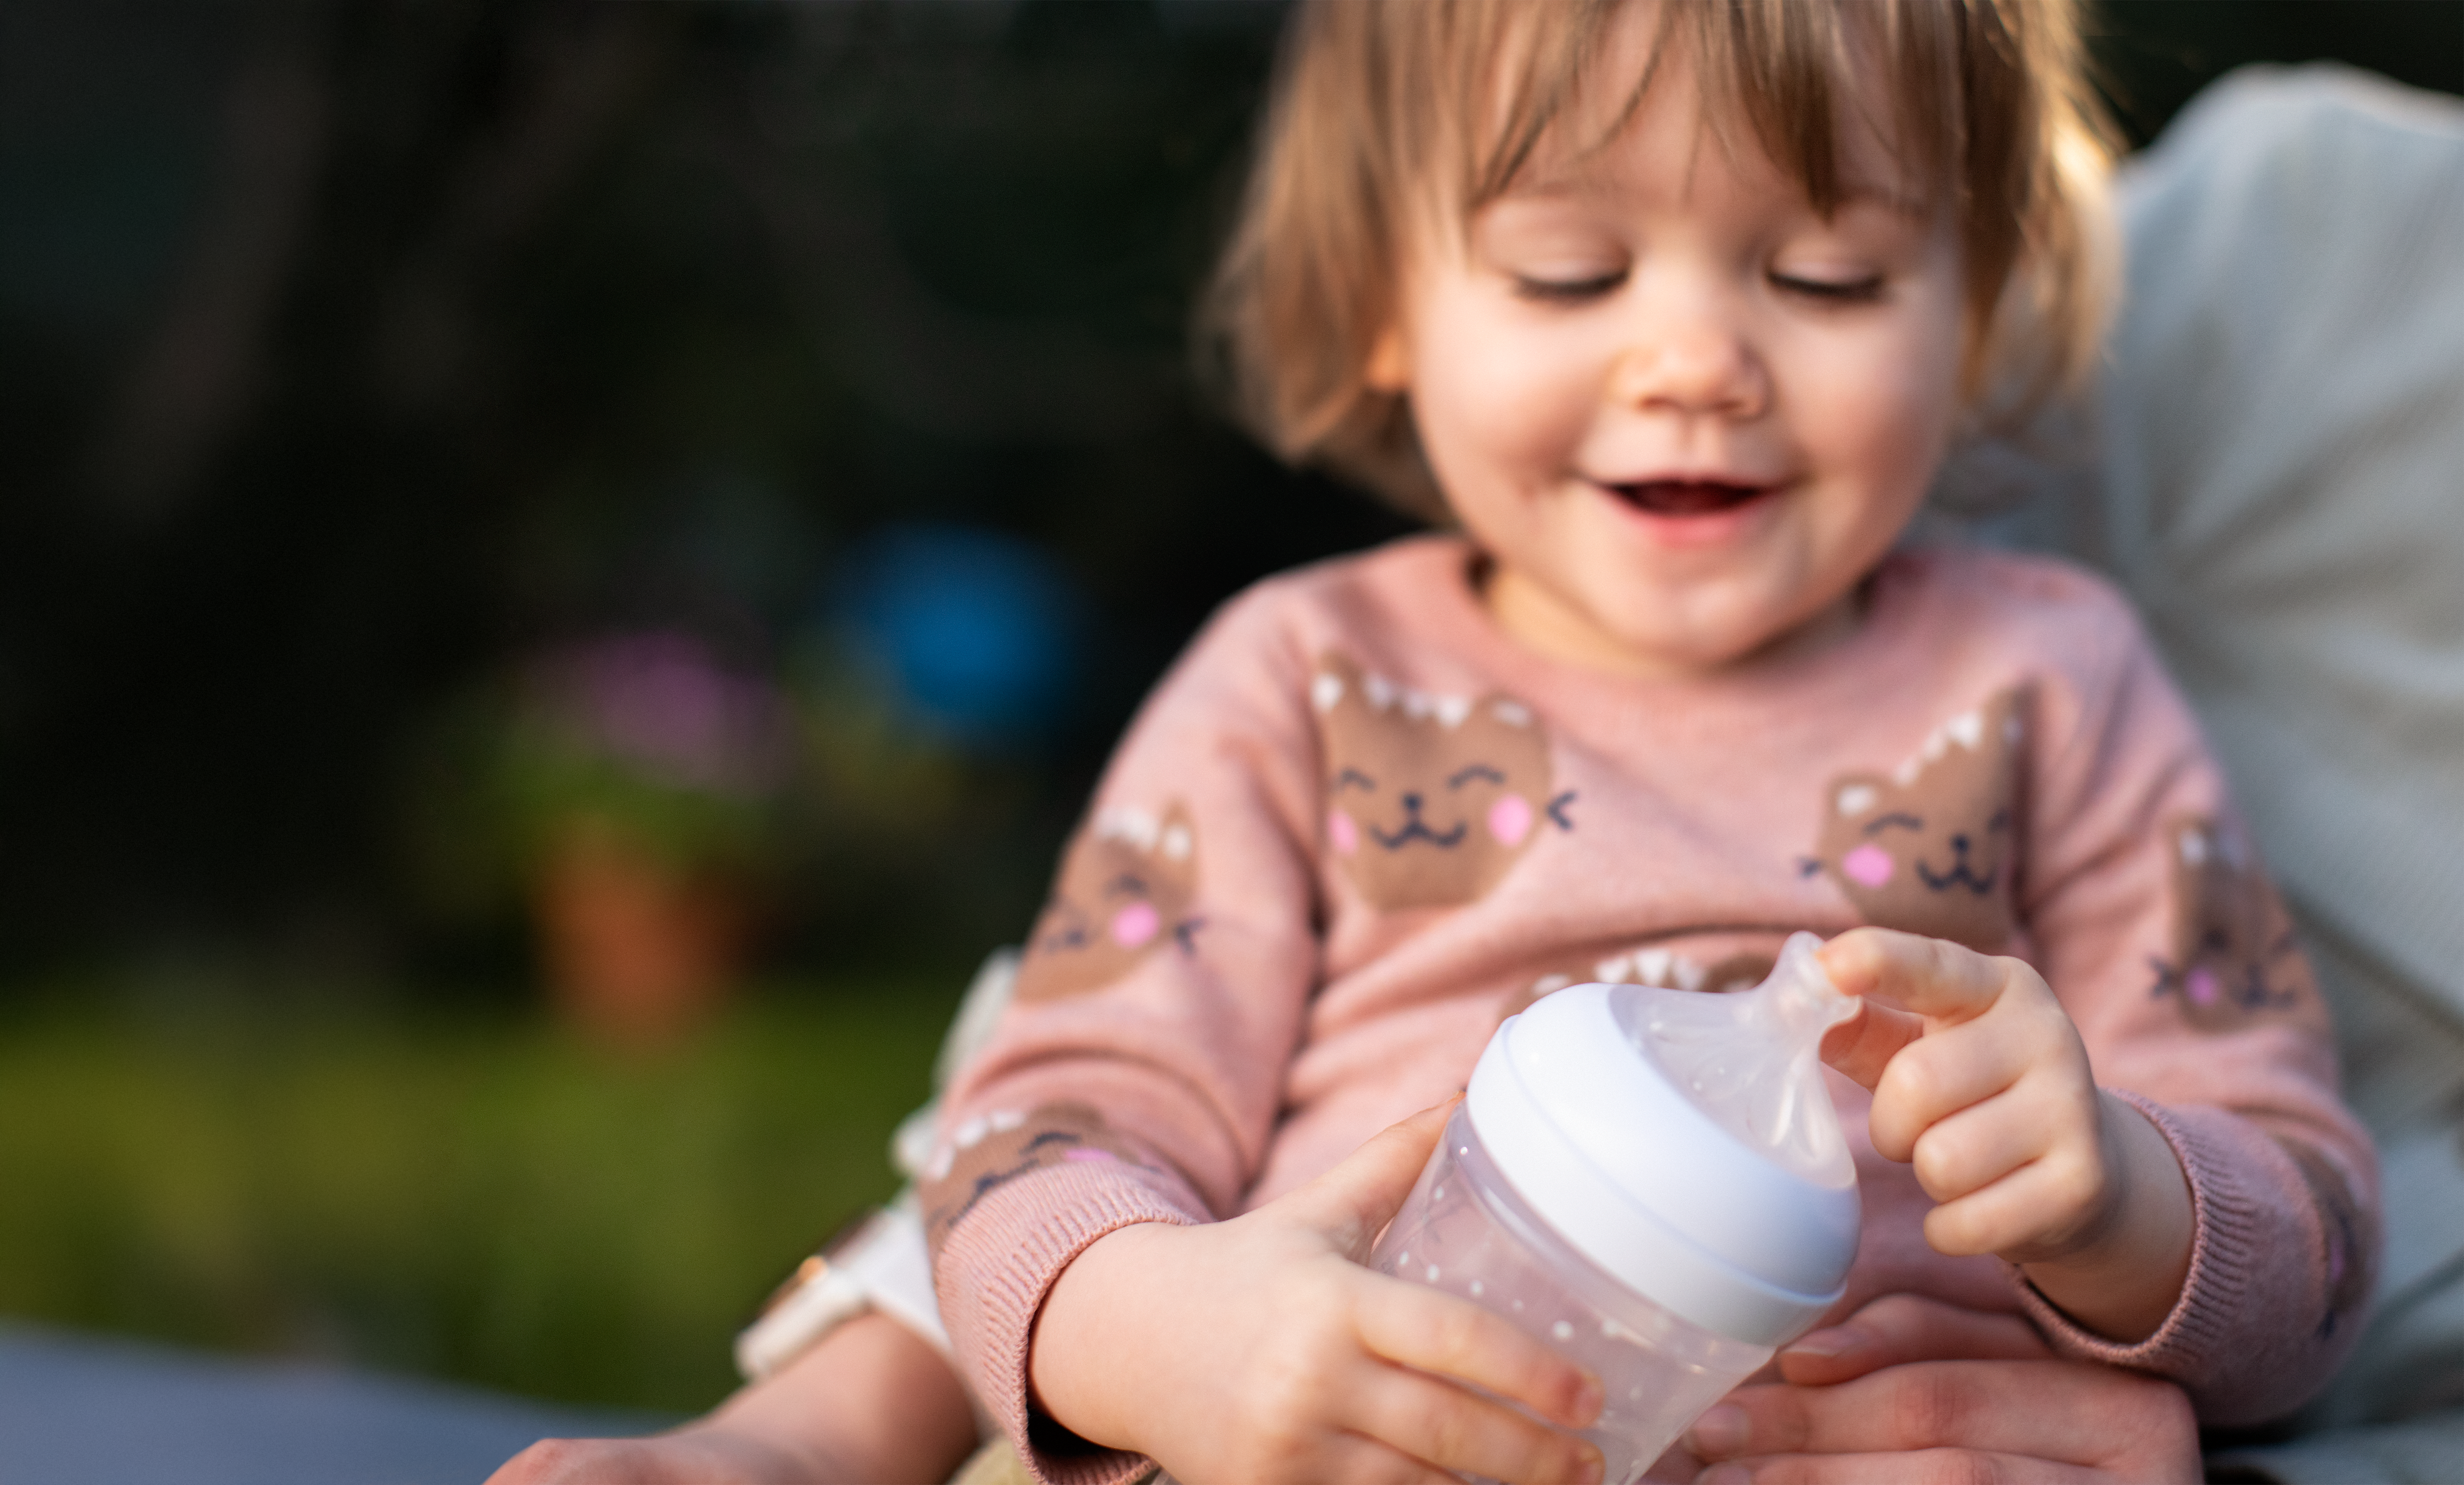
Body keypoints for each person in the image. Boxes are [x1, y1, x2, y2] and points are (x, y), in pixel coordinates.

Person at [496, 4, 2381, 1482]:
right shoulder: (1309, 682)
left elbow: (2309, 1228)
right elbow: (1046, 1127)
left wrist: (2128, 1196)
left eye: (1826, 278)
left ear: (1975, 309)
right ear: (1390, 299)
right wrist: (1162, 1331)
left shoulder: (2054, 680)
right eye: (1573, 273)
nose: (1695, 360)